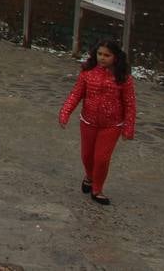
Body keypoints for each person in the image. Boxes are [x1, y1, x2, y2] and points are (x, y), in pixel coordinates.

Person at [58, 39, 137, 205]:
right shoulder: (87, 72)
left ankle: (97, 189)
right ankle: (89, 176)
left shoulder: (123, 77)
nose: (102, 58)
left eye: (107, 55)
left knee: (101, 158)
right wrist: (65, 113)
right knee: (87, 156)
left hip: (111, 125)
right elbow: (76, 94)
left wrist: (128, 127)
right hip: (88, 121)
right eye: (100, 54)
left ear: (116, 57)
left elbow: (129, 104)